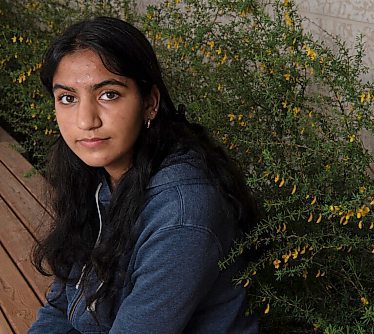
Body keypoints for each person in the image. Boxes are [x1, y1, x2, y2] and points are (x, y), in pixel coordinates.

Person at [29, 16, 258, 333]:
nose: (85, 120)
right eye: (67, 98)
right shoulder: (95, 175)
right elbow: (60, 306)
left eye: (109, 94)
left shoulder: (182, 213)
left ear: (149, 103)